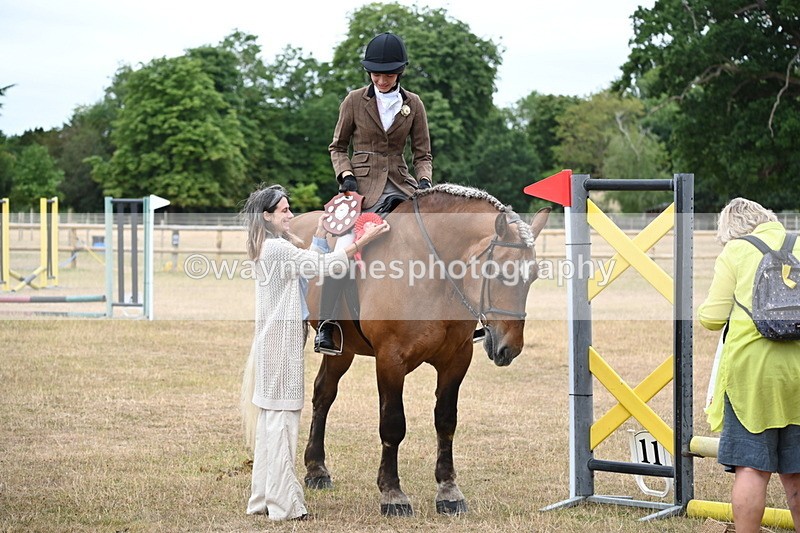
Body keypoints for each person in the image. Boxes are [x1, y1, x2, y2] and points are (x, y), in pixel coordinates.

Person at [240, 183, 389, 521]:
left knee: (271, 423)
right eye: (284, 211)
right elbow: (329, 266)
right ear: (267, 216)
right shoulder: (277, 249)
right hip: (280, 346)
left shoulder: (271, 246)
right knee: (283, 423)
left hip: (273, 342)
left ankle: (262, 498)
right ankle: (284, 504)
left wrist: (321, 232)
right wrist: (363, 241)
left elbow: (311, 265)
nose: (291, 216)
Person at [315, 31, 433, 354]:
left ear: (400, 73)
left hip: (403, 184)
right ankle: (327, 324)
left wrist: (424, 181)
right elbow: (337, 146)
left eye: (389, 74)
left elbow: (423, 154)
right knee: (343, 246)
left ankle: (462, 319)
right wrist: (346, 174)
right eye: (376, 74)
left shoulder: (414, 105)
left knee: (439, 237)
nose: (382, 80)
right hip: (362, 189)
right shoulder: (354, 100)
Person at [698, 197, 800, 532]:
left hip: (750, 377)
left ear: (732, 232)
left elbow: (712, 319)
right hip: (797, 373)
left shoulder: (736, 251)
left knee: (752, 469)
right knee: (797, 469)